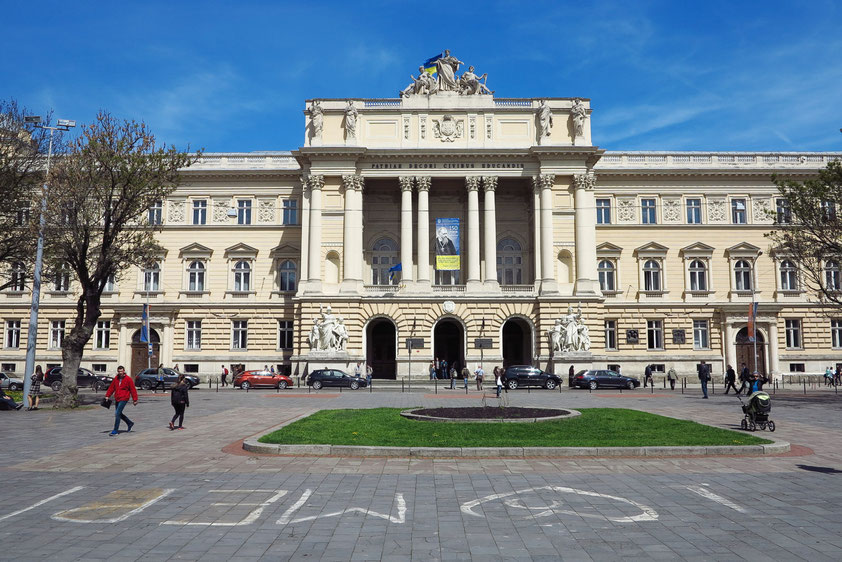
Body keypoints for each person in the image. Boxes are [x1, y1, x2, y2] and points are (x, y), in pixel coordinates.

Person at [105, 366, 138, 436]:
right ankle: (129, 423)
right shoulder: (116, 379)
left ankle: (115, 430)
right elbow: (111, 388)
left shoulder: (128, 379)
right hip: (117, 398)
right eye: (119, 371)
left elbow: (133, 390)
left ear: (124, 371)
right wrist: (107, 395)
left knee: (117, 413)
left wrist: (135, 400)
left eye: (121, 371)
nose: (120, 373)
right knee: (118, 413)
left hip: (124, 398)